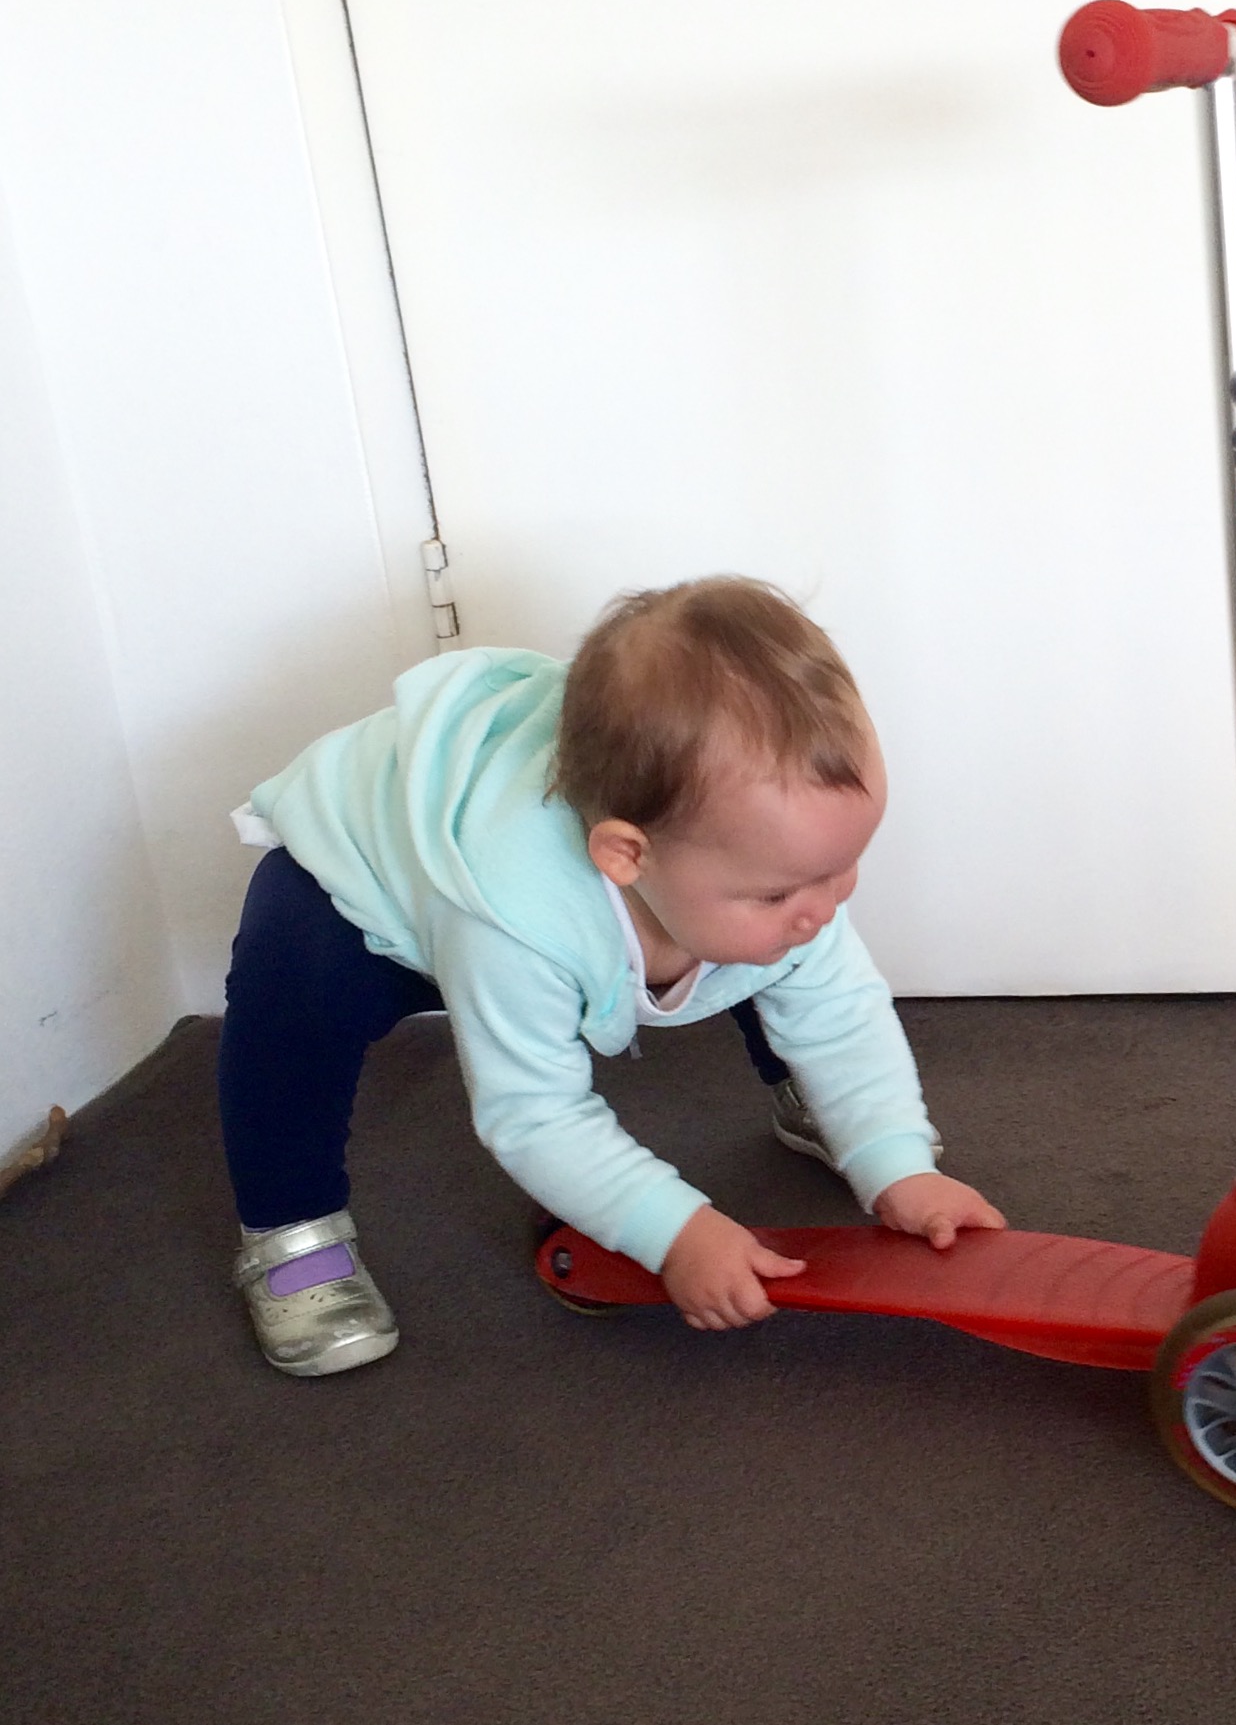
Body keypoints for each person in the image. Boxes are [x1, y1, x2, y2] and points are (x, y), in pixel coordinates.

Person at [218, 577, 1004, 1376]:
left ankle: (813, 1095)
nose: (828, 904)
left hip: (608, 896)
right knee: (294, 1016)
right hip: (360, 886)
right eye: (780, 887)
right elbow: (535, 1112)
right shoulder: (517, 917)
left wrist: (895, 1160)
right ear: (628, 854)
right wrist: (676, 1229)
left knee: (765, 949)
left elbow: (841, 1010)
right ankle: (290, 1226)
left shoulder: (770, 877)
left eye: (841, 867)